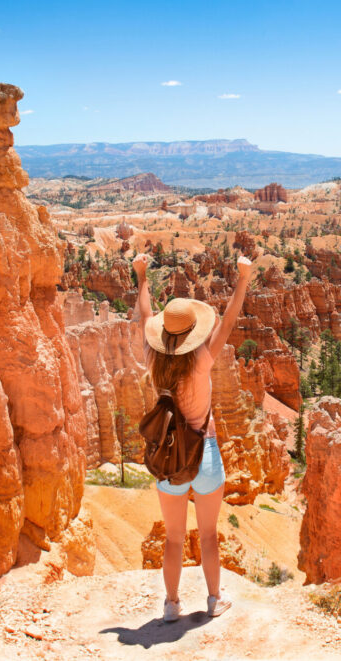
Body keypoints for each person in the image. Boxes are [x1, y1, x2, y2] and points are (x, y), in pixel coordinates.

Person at [132, 251, 254, 623]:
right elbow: (229, 320)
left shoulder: (154, 357)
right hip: (206, 452)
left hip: (168, 455)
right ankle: (214, 599)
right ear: (192, 333)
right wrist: (244, 278)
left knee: (172, 539)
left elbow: (146, 315)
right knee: (208, 536)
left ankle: (171, 606)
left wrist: (141, 275)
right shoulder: (201, 358)